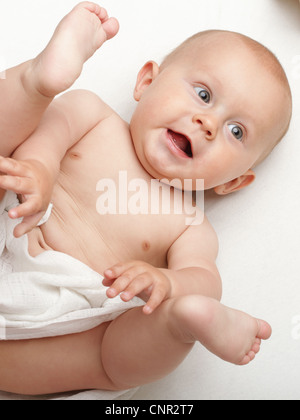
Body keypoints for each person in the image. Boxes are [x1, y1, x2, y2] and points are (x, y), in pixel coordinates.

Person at [0, 2, 292, 395]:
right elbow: (49, 135)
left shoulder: (189, 223)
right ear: (146, 82)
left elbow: (204, 278)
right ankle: (38, 80)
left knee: (109, 360)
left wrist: (170, 284)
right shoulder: (94, 115)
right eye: (203, 94)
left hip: (66, 317)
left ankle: (185, 322)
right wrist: (40, 167)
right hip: (15, 223)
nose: (208, 124)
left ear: (234, 181)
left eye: (236, 131)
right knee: (8, 153)